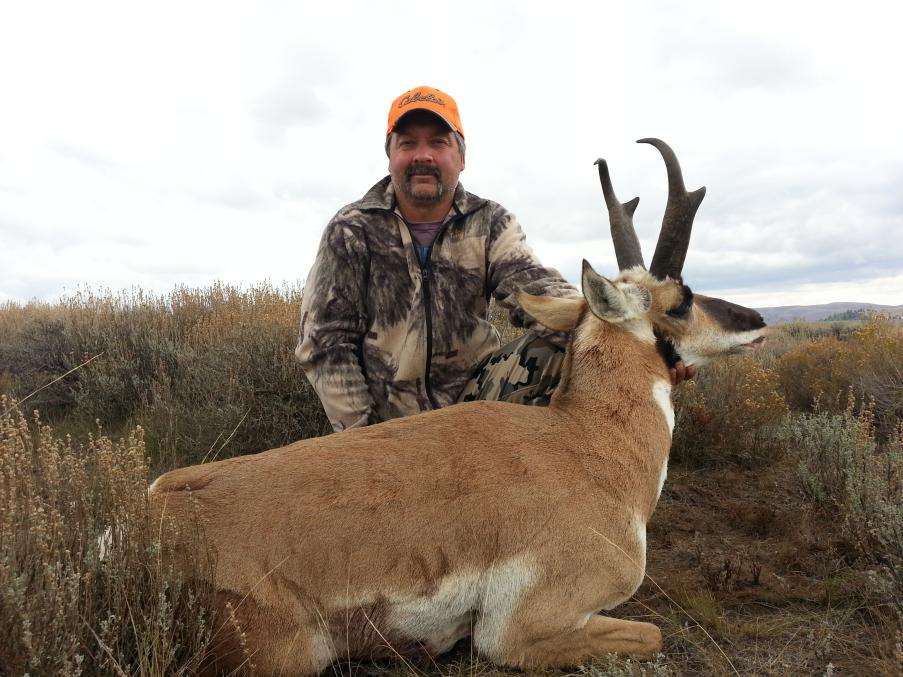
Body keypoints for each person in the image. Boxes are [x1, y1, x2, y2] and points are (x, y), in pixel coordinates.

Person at [296, 86, 693, 432]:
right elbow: (326, 343)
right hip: (387, 419)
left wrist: (644, 347)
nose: (423, 155)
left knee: (560, 352)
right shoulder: (351, 230)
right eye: (407, 143)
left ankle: (570, 490)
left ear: (461, 157)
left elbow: (538, 293)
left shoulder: (489, 222)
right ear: (390, 156)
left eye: (438, 142)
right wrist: (363, 439)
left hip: (478, 402)